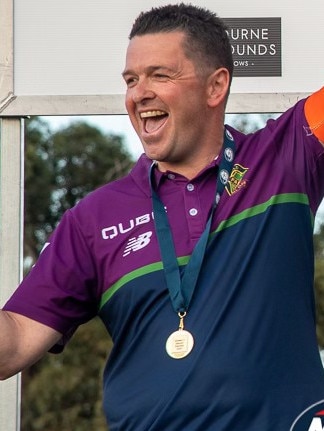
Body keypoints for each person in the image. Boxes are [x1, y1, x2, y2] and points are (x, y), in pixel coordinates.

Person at [1, 3, 324, 430]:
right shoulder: (92, 219)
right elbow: (14, 344)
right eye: (131, 80)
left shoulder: (283, 157)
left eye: (160, 75)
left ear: (216, 87)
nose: (139, 93)